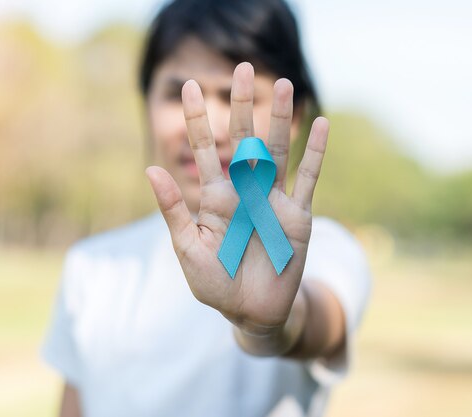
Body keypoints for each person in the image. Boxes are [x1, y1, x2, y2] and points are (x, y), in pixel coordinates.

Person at [42, 0, 371, 416]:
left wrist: (271, 326)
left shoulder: (323, 251)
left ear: (293, 116)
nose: (211, 126)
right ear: (145, 102)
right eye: (178, 93)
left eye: (237, 98)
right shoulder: (92, 266)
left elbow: (315, 321)